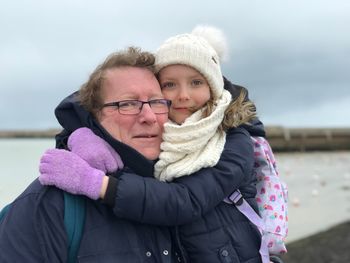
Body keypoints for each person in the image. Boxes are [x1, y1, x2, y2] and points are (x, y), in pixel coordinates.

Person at [37, 26, 281, 263]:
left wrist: (96, 183)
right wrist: (81, 136)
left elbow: (185, 202)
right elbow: (104, 102)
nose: (183, 95)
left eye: (196, 82)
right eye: (170, 84)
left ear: (214, 87)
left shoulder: (233, 139)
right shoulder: (163, 126)